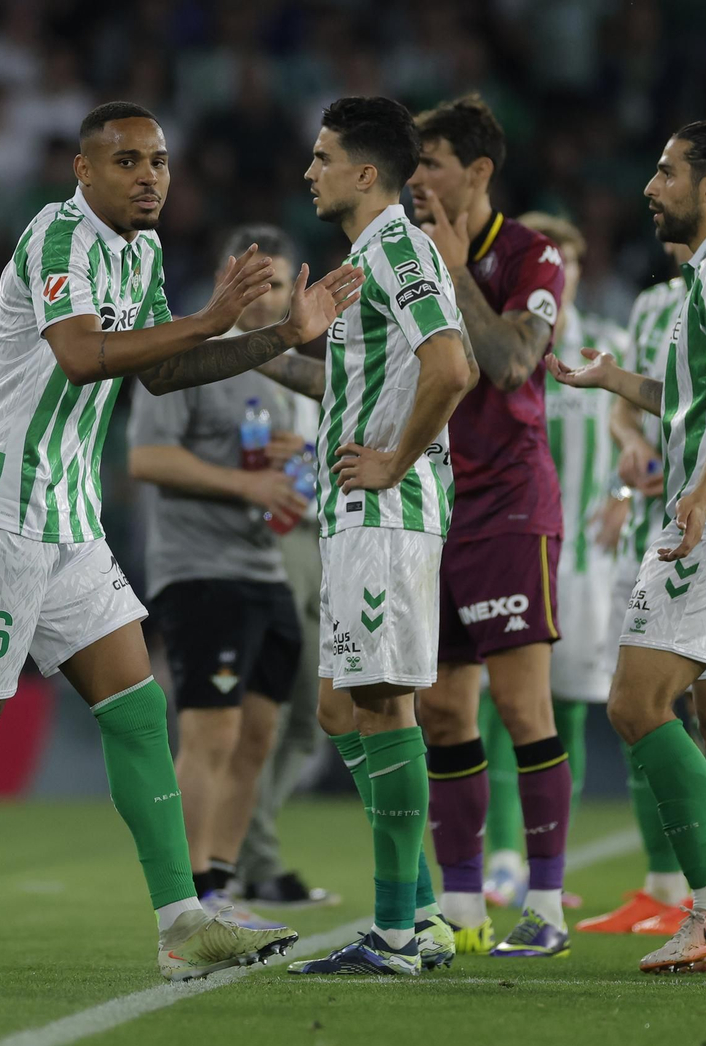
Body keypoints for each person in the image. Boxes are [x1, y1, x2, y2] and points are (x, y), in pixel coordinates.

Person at [0, 101, 364, 984]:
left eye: (158, 161)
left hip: (66, 517)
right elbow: (83, 356)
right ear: (83, 171)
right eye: (127, 161)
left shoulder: (139, 252)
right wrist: (211, 316)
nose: (149, 176)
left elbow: (161, 369)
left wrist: (277, 334)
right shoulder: (58, 238)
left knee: (137, 708)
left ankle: (182, 924)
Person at [548, 119, 706, 975]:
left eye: (666, 172)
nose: (650, 187)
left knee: (634, 702)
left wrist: (696, 494)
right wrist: (614, 381)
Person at [261, 96, 476, 977]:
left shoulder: (397, 247)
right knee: (339, 708)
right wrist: (275, 344)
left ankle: (395, 932)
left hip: (385, 510)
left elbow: (452, 367)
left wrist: (393, 461)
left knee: (384, 705)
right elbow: (365, 380)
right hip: (355, 513)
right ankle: (419, 912)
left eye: (322, 158)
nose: (308, 172)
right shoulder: (366, 262)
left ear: (365, 171)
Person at [407, 94, 572, 958]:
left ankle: (545, 908)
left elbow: (511, 362)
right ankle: (463, 906)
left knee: (519, 703)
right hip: (433, 504)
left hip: (509, 502)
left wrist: (453, 268)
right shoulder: (404, 253)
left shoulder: (532, 256)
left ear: (476, 172)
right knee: (441, 709)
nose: (415, 179)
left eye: (430, 163)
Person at [127, 222, 320, 929]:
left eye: (276, 283)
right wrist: (248, 485)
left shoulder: (276, 371)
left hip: (265, 565)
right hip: (201, 569)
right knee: (210, 736)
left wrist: (292, 464)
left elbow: (270, 471)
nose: (265, 297)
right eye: (253, 280)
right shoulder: (185, 354)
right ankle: (187, 900)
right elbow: (147, 459)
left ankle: (220, 886)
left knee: (256, 737)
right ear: (223, 278)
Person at [475, 212, 628, 908]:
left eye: (567, 264)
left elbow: (647, 434)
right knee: (500, 703)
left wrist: (625, 491)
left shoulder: (609, 346)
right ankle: (504, 857)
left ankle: (549, 867)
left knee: (566, 711)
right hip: (512, 544)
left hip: (584, 560)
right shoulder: (500, 344)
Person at [575, 245, 696, 936]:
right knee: (633, 704)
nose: (653, 197)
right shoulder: (650, 306)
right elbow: (628, 409)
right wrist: (630, 450)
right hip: (645, 535)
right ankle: (661, 885)